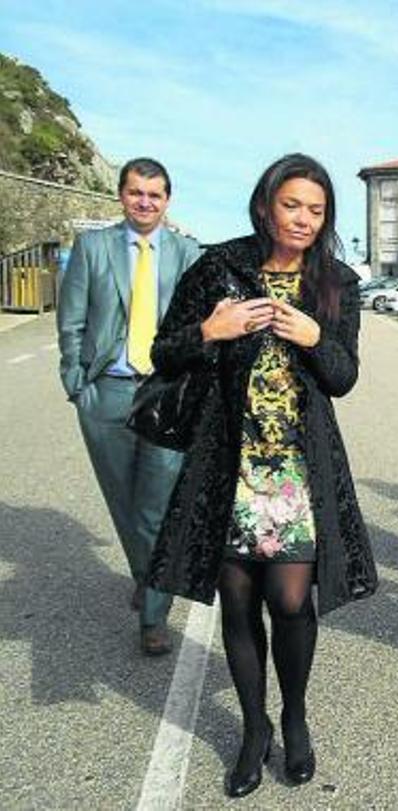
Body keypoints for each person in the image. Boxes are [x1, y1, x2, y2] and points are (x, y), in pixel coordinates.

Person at [147, 154, 378, 797]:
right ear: (266, 204)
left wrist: (313, 335)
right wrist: (209, 330)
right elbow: (162, 352)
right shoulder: (221, 267)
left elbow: (343, 377)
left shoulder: (336, 283)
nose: (304, 219)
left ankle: (295, 717)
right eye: (292, 205)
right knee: (240, 602)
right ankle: (254, 729)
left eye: (317, 210)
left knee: (292, 600)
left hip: (297, 471)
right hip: (230, 464)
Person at [56, 157, 201, 656]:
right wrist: (77, 382)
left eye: (155, 194)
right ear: (121, 195)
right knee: (123, 502)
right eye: (136, 192)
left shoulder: (185, 253)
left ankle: (153, 617)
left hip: (163, 393)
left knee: (154, 507)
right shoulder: (93, 247)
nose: (145, 202)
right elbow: (71, 319)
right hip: (106, 393)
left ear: (167, 200)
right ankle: (148, 575)